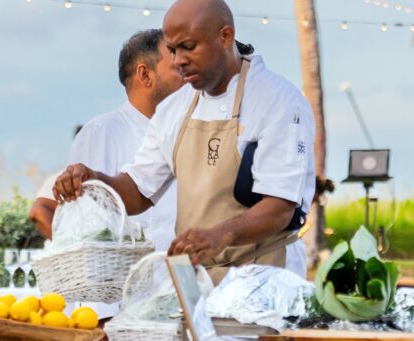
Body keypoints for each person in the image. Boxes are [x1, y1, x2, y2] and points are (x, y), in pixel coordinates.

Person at [54, 0, 315, 284]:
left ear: (225, 36)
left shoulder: (279, 101)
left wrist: (218, 235)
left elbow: (279, 208)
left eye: (188, 47)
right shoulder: (174, 108)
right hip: (196, 282)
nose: (179, 60)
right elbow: (138, 191)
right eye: (173, 50)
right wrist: (95, 181)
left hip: (263, 277)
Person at [66, 29, 183, 252]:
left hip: (187, 277)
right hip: (131, 281)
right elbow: (90, 225)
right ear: (145, 75)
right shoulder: (102, 132)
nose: (188, 77)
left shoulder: (186, 128)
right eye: (177, 69)